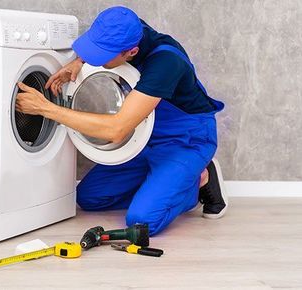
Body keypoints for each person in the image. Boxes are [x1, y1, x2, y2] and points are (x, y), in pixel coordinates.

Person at [15, 6, 228, 236]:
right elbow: (107, 39)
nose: (96, 60)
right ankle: (163, 183)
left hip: (185, 141)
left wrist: (46, 108)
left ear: (131, 52)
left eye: (102, 56)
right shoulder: (128, 27)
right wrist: (79, 61)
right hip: (146, 137)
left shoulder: (166, 63)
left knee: (142, 221)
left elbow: (117, 129)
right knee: (89, 198)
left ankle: (200, 180)